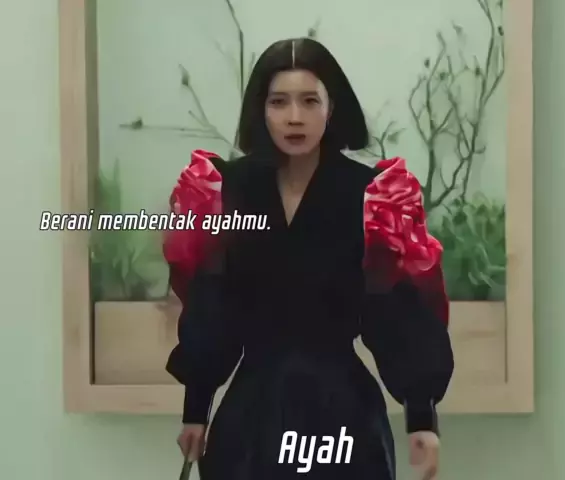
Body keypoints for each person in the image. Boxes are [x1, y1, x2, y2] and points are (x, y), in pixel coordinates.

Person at [163, 37, 454, 480]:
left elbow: (397, 311)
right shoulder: (229, 190)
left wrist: (421, 417)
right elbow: (212, 306)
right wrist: (196, 409)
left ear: (331, 107)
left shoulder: (371, 196)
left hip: (343, 414)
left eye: (309, 100)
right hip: (252, 419)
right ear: (261, 109)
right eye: (279, 101)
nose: (294, 116)